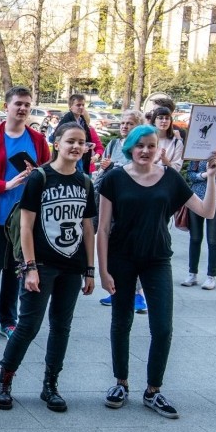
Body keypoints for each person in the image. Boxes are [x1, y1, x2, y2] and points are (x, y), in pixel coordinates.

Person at [98, 125, 216, 419]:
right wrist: (102, 270)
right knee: (121, 321)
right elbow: (102, 229)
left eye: (151, 146)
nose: (145, 151)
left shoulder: (170, 179)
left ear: (159, 149)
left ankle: (153, 390)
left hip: (157, 260)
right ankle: (121, 383)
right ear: (130, 147)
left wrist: (213, 176)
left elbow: (207, 211)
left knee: (163, 327)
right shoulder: (114, 178)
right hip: (122, 258)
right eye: (140, 146)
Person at [0, 122, 96, 413]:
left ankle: (50, 385)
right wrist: (30, 267)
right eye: (70, 141)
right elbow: (26, 225)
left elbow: (88, 228)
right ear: (57, 143)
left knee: (62, 327)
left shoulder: (85, 182)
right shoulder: (40, 177)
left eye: (81, 142)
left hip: (72, 267)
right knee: (28, 325)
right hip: (42, 265)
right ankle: (4, 381)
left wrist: (90, 269)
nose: (76, 147)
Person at [0, 86, 51, 344]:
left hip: (24, 221)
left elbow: (48, 174)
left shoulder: (37, 140)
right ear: (6, 107)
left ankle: (8, 320)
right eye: (18, 104)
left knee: (16, 270)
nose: (23, 108)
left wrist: (36, 176)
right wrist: (5, 185)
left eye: (27, 104)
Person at [93, 110, 148, 312]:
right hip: (109, 201)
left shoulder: (140, 146)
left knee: (131, 249)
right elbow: (104, 169)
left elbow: (137, 169)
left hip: (129, 205)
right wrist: (103, 166)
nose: (124, 126)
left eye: (130, 123)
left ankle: (138, 294)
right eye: (123, 123)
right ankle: (116, 289)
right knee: (113, 247)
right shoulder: (114, 144)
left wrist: (113, 165)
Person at [182, 129, 216, 290]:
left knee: (213, 240)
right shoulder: (197, 151)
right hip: (196, 199)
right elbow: (190, 175)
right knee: (195, 238)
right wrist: (205, 174)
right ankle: (192, 273)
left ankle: (211, 276)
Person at [52, 94, 103, 174]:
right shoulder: (66, 120)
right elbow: (55, 139)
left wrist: (88, 145)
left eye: (83, 105)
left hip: (81, 161)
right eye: (78, 105)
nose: (81, 107)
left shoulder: (82, 120)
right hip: (68, 162)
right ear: (70, 107)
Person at [149, 106, 184, 172]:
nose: (164, 121)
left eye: (167, 118)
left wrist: (164, 160)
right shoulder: (146, 140)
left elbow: (176, 169)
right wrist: (156, 160)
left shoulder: (177, 143)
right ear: (154, 121)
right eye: (161, 118)